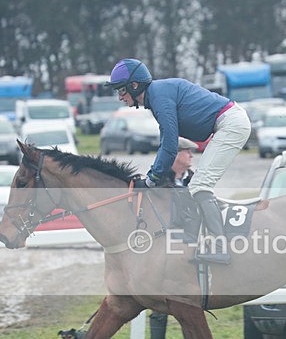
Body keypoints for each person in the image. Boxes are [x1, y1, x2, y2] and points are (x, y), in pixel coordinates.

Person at [105, 58, 251, 264]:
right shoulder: (157, 96)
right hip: (228, 122)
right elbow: (167, 142)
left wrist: (151, 179)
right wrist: (154, 175)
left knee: (200, 185)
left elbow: (170, 144)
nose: (120, 97)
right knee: (196, 186)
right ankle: (196, 238)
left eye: (121, 90)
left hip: (231, 124)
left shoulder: (159, 97)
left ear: (134, 86)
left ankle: (220, 248)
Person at [149, 138, 198, 339]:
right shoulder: (157, 182)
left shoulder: (195, 180)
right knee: (159, 302)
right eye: (187, 152)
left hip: (189, 248)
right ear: (175, 155)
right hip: (162, 250)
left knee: (190, 300)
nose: (191, 155)